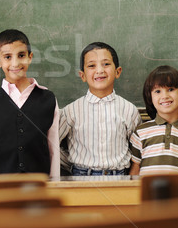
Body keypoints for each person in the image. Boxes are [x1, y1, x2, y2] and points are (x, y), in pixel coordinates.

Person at [0, 29, 60, 179]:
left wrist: (55, 183)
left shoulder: (47, 99)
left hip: (39, 186)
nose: (15, 63)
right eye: (7, 57)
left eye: (21, 55)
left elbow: (53, 148)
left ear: (30, 57)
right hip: (0, 187)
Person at [59, 42, 141, 176]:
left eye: (106, 64)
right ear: (83, 75)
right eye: (91, 66)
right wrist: (71, 165)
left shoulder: (129, 110)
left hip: (120, 177)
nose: (99, 71)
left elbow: (137, 149)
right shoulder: (71, 111)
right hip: (81, 177)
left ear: (117, 71)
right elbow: (52, 143)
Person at [130, 65, 178, 176]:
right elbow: (135, 168)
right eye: (158, 91)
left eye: (170, 89)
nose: (165, 96)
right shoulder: (140, 132)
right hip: (149, 192)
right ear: (150, 97)